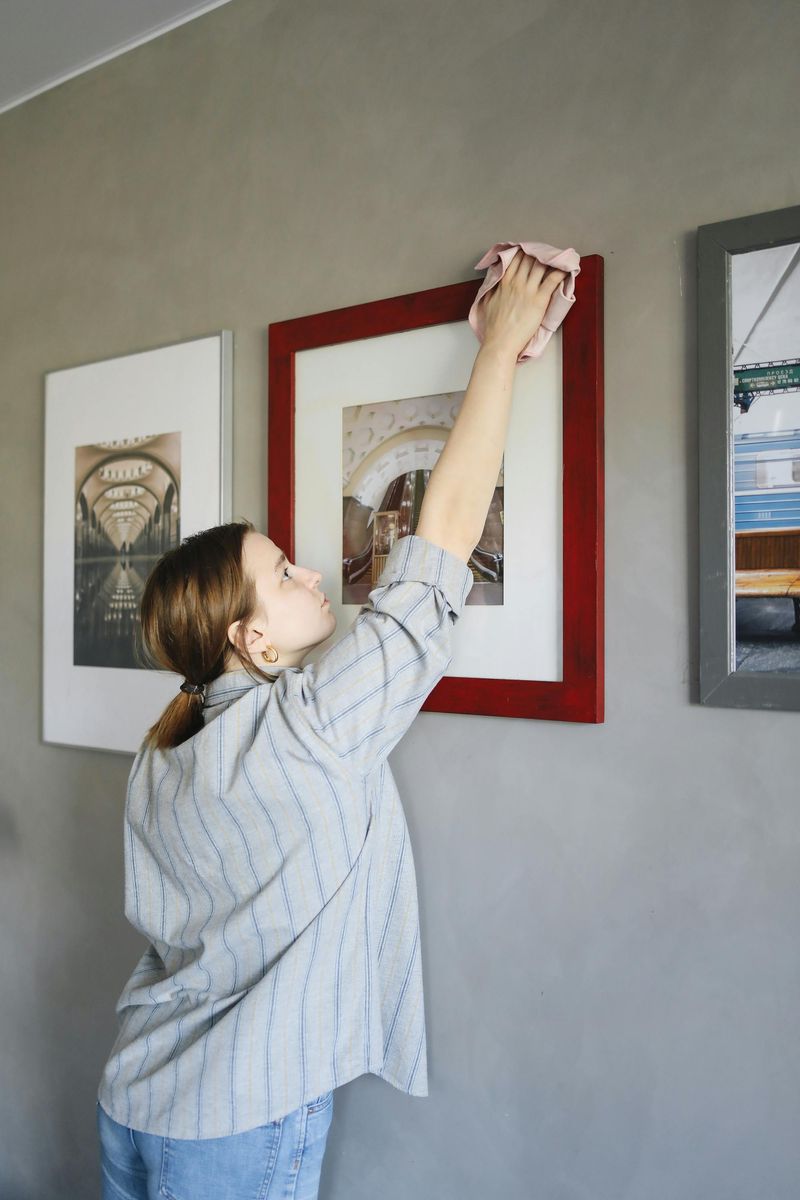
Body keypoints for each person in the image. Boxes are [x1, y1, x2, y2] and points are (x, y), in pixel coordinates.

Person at [95, 250, 567, 1200]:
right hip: (235, 1117)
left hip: (134, 1097)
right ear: (251, 639)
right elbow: (436, 552)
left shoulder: (162, 749)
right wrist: (504, 342)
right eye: (285, 575)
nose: (313, 573)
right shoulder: (306, 728)